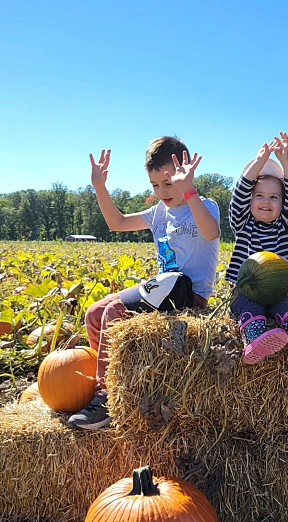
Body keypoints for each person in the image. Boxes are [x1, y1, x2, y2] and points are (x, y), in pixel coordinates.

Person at [68, 136, 220, 430]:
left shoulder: (204, 205)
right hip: (163, 288)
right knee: (95, 314)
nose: (162, 192)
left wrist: (188, 191)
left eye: (168, 183)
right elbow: (118, 223)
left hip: (189, 293)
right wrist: (99, 187)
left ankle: (108, 399)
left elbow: (211, 233)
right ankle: (111, 380)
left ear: (186, 173)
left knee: (116, 313)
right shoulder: (157, 212)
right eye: (155, 186)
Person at [226, 132, 288, 364]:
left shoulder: (284, 227)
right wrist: (259, 161)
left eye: (274, 197)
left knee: (285, 304)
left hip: (276, 290)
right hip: (243, 289)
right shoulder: (242, 224)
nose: (266, 201)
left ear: (282, 205)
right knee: (250, 306)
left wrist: (284, 161)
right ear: (250, 200)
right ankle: (255, 339)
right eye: (259, 196)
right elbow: (239, 195)